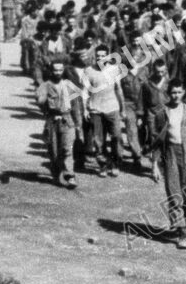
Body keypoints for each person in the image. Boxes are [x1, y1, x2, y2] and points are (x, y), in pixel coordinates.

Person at [147, 78, 186, 249]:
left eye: (179, 92)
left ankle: (185, 218)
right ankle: (182, 232)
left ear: (183, 93)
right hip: (171, 155)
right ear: (169, 93)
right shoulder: (162, 114)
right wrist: (154, 165)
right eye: (173, 92)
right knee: (175, 194)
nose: (176, 95)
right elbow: (158, 141)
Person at [35, 60, 83, 188]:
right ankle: (56, 173)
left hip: (67, 120)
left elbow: (76, 106)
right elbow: (40, 102)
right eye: (55, 70)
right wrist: (44, 105)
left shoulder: (69, 85)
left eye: (60, 70)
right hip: (52, 121)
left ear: (63, 71)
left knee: (67, 148)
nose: (57, 72)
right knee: (54, 151)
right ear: (51, 71)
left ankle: (70, 176)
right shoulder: (45, 86)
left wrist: (78, 124)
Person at [83, 45, 125, 177]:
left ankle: (115, 164)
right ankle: (103, 165)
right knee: (98, 140)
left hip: (112, 108)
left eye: (103, 56)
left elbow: (119, 90)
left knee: (116, 137)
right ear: (94, 56)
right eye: (98, 56)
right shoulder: (88, 70)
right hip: (95, 110)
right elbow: (85, 92)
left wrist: (122, 109)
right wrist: (85, 109)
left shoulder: (114, 70)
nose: (100, 58)